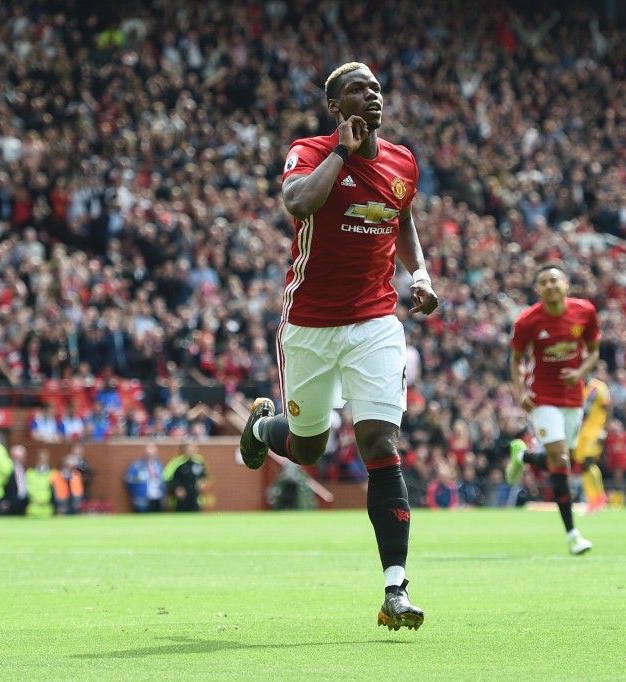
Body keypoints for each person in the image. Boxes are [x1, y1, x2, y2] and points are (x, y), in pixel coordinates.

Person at [238, 61, 439, 631]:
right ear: (335, 105)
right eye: (357, 89)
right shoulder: (309, 151)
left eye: (376, 87)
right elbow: (299, 204)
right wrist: (341, 155)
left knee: (379, 439)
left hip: (376, 321)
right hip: (309, 323)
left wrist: (418, 275)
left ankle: (395, 588)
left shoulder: (402, 161)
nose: (371, 95)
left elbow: (403, 219)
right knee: (307, 448)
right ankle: (260, 428)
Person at [505, 263, 599, 555]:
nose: (549, 285)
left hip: (573, 398)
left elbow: (593, 351)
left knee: (562, 461)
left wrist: (580, 372)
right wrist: (520, 391)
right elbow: (517, 358)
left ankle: (523, 455)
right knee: (559, 457)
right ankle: (573, 535)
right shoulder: (528, 320)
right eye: (543, 282)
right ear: (538, 289)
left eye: (554, 280)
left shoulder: (585, 312)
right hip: (542, 397)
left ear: (566, 284)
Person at [571, 375, 611, 512]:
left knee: (588, 463)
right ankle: (593, 499)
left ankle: (600, 497)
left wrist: (604, 430)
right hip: (583, 433)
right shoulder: (582, 389)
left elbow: (608, 408)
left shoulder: (598, 387)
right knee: (583, 466)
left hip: (595, 431)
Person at [163, 439, 208, 512]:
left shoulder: (199, 461)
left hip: (195, 497)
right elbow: (167, 478)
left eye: (193, 448)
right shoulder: (176, 462)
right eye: (188, 448)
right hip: (181, 498)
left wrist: (203, 483)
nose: (190, 450)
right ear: (183, 449)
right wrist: (177, 488)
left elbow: (204, 476)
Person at [124, 443, 165, 513]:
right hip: (142, 500)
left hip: (157, 498)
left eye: (153, 453)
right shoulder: (136, 465)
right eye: (148, 453)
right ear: (145, 453)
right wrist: (137, 490)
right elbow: (128, 481)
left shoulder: (158, 464)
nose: (150, 456)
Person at [1, 444, 29, 516]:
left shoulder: (24, 468)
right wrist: (4, 500)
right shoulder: (7, 468)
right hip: (11, 501)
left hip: (23, 500)